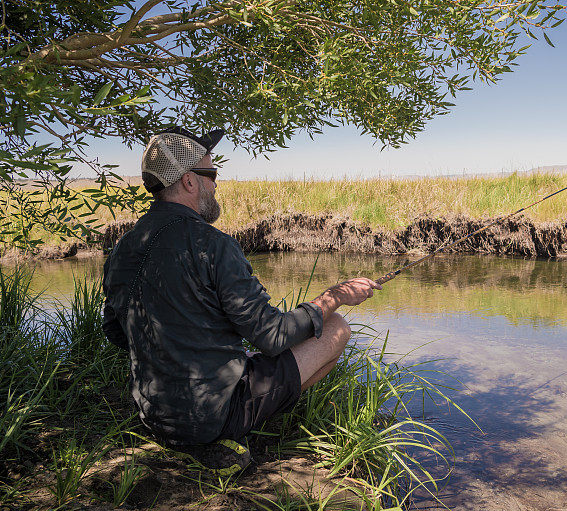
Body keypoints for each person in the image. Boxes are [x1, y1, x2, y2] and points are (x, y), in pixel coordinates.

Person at [102, 127, 381, 474]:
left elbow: (115, 332)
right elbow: (272, 336)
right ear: (190, 182)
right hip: (208, 417)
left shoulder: (122, 247)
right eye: (212, 174)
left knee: (254, 357)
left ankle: (220, 426)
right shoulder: (212, 245)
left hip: (153, 416)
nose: (216, 183)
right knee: (336, 328)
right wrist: (335, 296)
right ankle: (228, 433)